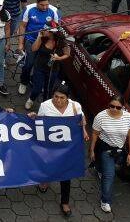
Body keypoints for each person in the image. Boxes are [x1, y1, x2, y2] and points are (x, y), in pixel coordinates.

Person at [29, 84, 87, 217]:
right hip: (50, 144)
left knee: (66, 172)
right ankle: (45, 180)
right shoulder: (45, 105)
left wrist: (83, 130)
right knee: (48, 164)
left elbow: (81, 120)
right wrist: (34, 117)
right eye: (56, 97)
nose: (58, 100)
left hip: (67, 146)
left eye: (62, 97)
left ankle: (65, 202)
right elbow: (40, 121)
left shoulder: (75, 106)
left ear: (68, 98)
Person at [89, 96, 130, 214]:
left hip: (120, 150)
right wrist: (92, 150)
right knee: (109, 175)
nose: (114, 109)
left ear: (123, 107)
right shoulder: (101, 117)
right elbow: (95, 134)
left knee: (106, 168)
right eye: (112, 106)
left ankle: (99, 168)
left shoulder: (128, 118)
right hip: (106, 150)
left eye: (118, 107)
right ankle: (105, 201)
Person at [26, 23, 70, 108]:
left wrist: (58, 58)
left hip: (53, 69)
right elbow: (33, 49)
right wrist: (39, 37)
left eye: (46, 30)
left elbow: (67, 54)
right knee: (37, 88)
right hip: (40, 67)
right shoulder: (42, 38)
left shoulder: (61, 42)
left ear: (52, 32)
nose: (43, 31)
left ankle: (45, 106)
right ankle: (31, 99)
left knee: (48, 89)